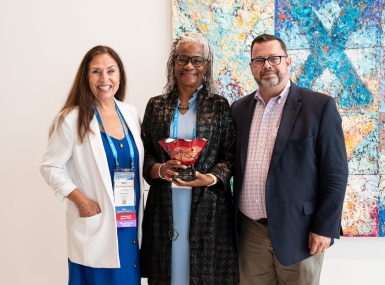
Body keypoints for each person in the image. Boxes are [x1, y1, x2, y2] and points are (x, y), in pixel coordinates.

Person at [231, 34, 348, 285]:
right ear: (251, 66)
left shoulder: (319, 107)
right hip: (250, 232)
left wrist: (324, 227)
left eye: (274, 58)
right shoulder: (238, 110)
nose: (267, 65)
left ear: (288, 61)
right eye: (259, 60)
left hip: (300, 231)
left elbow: (335, 174)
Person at [39, 46, 144, 285]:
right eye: (96, 71)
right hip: (97, 222)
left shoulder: (130, 113)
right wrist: (80, 200)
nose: (104, 79)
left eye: (110, 71)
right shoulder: (71, 118)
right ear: (86, 78)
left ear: (120, 75)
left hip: (128, 222)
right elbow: (49, 167)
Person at [140, 33, 238, 285]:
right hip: (164, 202)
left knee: (203, 273)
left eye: (197, 60)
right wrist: (160, 169)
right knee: (167, 271)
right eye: (182, 59)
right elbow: (144, 154)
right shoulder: (156, 106)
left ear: (206, 65)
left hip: (207, 206)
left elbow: (230, 156)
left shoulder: (219, 106)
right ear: (173, 63)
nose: (189, 66)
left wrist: (210, 178)